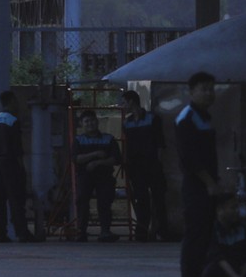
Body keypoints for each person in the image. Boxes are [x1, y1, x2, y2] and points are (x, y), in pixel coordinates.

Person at [176, 71, 222, 277]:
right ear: (191, 91)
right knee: (195, 239)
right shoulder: (187, 118)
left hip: (206, 186)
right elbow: (190, 158)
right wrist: (209, 182)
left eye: (211, 88)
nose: (208, 93)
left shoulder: (204, 117)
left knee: (204, 239)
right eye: (203, 88)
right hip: (197, 188)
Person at [119, 90, 171, 241]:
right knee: (141, 199)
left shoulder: (152, 119)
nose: (123, 106)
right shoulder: (127, 123)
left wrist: (158, 162)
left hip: (152, 163)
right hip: (136, 166)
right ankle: (142, 232)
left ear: (132, 102)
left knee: (158, 198)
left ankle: (162, 231)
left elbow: (160, 144)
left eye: (124, 103)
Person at [0, 89, 38, 242]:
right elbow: (17, 147)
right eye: (15, 101)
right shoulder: (13, 120)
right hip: (11, 163)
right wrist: (22, 167)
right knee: (16, 198)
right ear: (10, 101)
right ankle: (22, 232)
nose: (17, 104)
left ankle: (1, 233)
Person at [70, 110, 121, 240]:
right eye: (86, 121)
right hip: (84, 176)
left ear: (97, 122)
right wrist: (95, 154)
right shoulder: (78, 140)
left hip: (104, 177)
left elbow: (115, 159)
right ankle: (81, 232)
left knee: (104, 202)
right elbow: (76, 159)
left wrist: (97, 163)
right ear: (81, 124)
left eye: (92, 120)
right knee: (82, 201)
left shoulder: (108, 138)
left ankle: (105, 231)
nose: (90, 124)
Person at [199, 193, 246, 277]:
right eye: (233, 208)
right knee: (210, 272)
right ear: (219, 210)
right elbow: (219, 259)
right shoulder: (211, 230)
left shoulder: (242, 228)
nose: (237, 211)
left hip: (238, 272)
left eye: (237, 207)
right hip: (219, 273)